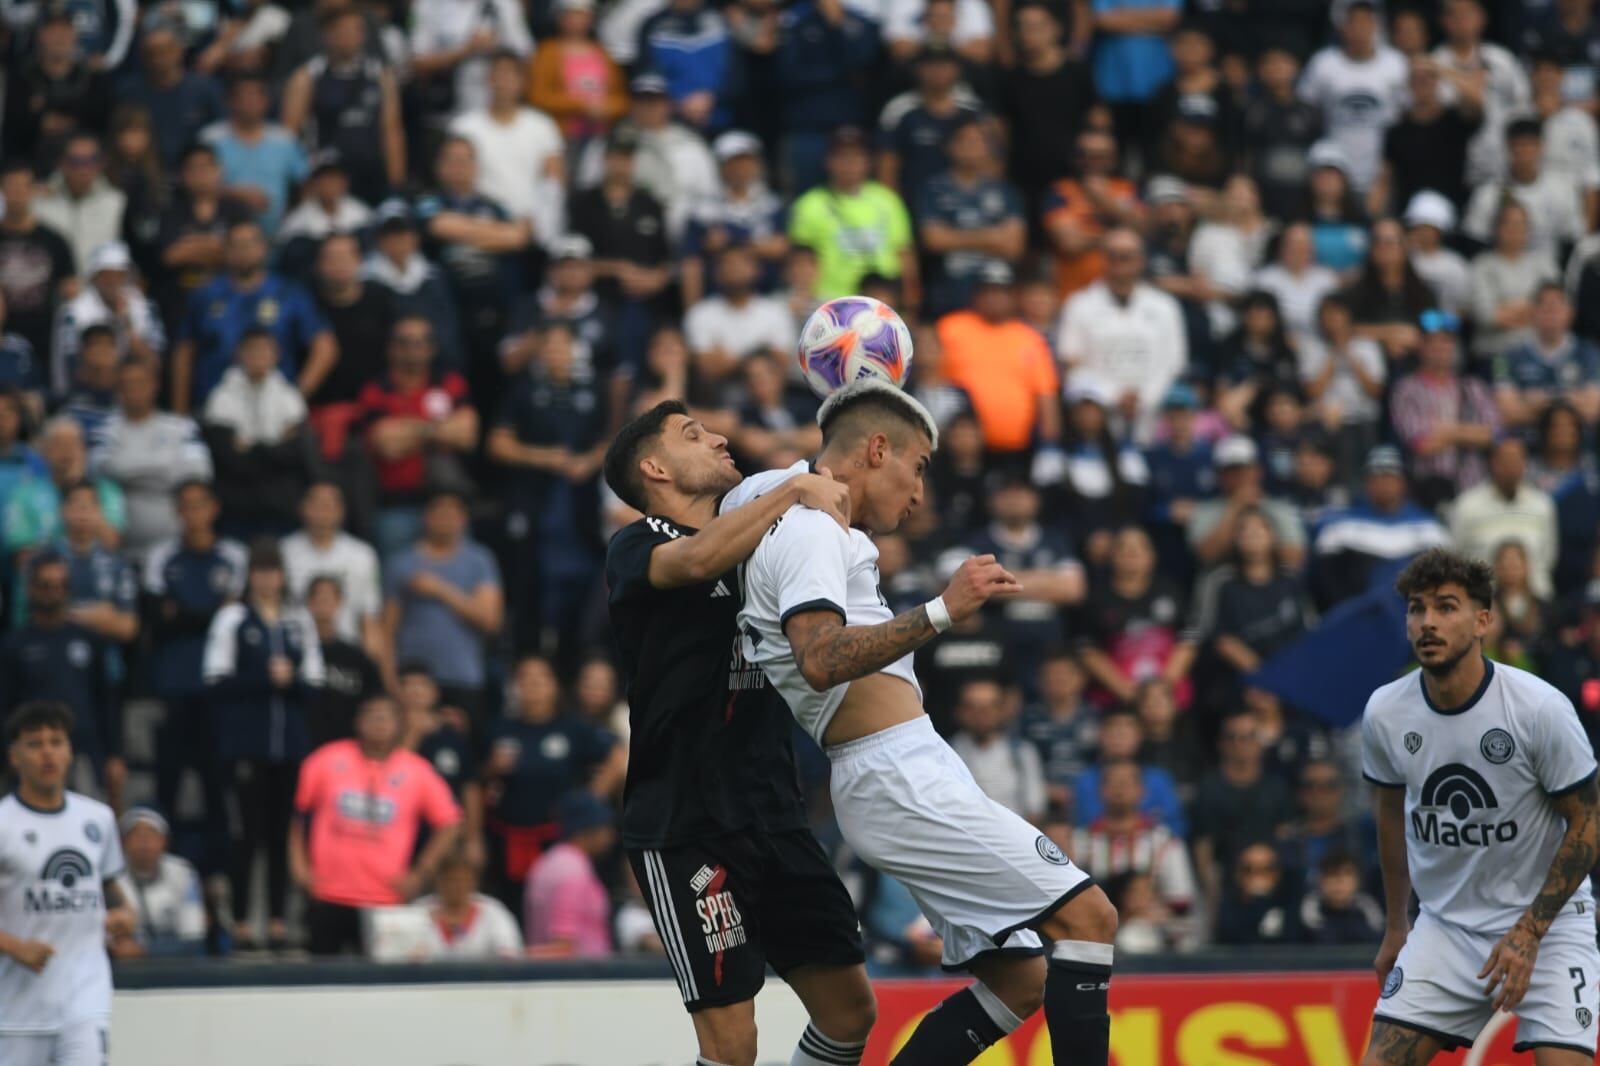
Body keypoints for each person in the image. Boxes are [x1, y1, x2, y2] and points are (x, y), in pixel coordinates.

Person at [728, 380, 1120, 1066]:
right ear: (877, 449)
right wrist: (943, 610)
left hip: (905, 769)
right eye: (917, 469)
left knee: (1023, 978)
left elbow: (760, 489)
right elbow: (819, 659)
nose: (917, 496)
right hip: (894, 772)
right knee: (1091, 920)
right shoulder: (812, 529)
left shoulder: (802, 513)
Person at [601, 400, 880, 1065]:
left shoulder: (763, 540)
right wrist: (792, 488)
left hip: (774, 814)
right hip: (687, 824)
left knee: (851, 1012)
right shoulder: (637, 544)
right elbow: (695, 562)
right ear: (656, 467)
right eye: (694, 435)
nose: (721, 437)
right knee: (732, 1048)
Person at [1358, 548, 1600, 1066]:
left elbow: (1588, 821)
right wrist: (1397, 926)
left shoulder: (1538, 709)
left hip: (1551, 925)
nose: (1427, 622)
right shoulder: (1385, 712)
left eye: (1446, 607)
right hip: (1447, 927)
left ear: (1482, 620)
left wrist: (1530, 932)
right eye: (1417, 609)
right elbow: (1388, 814)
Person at [203, 539, 324, 951]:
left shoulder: (297, 620)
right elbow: (216, 680)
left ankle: (275, 920)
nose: (268, 579)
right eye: (260, 571)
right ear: (250, 576)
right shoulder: (233, 619)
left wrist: (289, 682)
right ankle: (239, 920)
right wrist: (263, 680)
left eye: (274, 571)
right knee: (246, 835)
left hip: (288, 746)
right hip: (246, 744)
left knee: (279, 836)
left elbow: (314, 682)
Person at [0, 702, 135, 1066]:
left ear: (70, 751)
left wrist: (124, 916)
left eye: (56, 742)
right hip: (15, 1014)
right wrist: (15, 947)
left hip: (84, 1001)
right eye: (34, 743)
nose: (47, 752)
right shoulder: (3, 824)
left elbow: (114, 891)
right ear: (15, 757)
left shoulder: (98, 819)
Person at [291, 695, 462, 956]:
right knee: (321, 985)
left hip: (385, 900)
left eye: (387, 717)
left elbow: (450, 823)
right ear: (358, 722)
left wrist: (421, 872)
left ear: (400, 725)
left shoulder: (417, 771)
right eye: (372, 715)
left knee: (380, 988)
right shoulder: (325, 760)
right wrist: (299, 866)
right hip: (327, 893)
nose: (379, 722)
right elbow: (297, 816)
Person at [172, 219, 335, 413]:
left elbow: (325, 345)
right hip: (214, 409)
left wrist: (296, 396)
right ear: (225, 251)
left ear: (263, 248)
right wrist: (180, 413)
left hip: (275, 411)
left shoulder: (288, 292)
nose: (243, 251)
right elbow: (184, 352)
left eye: (250, 244)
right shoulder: (205, 295)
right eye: (236, 245)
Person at [0, 555, 123, 805]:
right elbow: (3, 704)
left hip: (84, 754)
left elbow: (106, 700)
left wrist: (114, 754)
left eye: (59, 585)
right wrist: (6, 756)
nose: (52, 592)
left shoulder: (89, 640)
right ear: (31, 589)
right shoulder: (13, 645)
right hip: (31, 755)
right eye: (45, 585)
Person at [355, 315, 478, 560]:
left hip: (448, 505)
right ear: (391, 348)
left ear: (432, 347)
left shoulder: (449, 382)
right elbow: (386, 444)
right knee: (398, 585)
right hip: (397, 507)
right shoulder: (376, 389)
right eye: (405, 342)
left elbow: (467, 436)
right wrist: (439, 431)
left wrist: (408, 431)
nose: (413, 349)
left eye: (421, 342)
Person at [381, 490, 502, 732]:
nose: (445, 519)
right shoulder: (401, 563)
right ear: (426, 518)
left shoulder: (479, 560)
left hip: (463, 676)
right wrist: (390, 680)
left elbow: (490, 620)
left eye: (452, 513)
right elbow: (386, 630)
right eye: (439, 512)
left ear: (463, 520)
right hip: (412, 679)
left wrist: (439, 589)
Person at [1055, 227, 1188, 436]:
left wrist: (1143, 398)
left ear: (1141, 260)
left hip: (1153, 419)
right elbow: (1072, 364)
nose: (1119, 264)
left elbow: (1174, 364)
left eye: (1126, 257)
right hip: (1098, 423)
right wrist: (1113, 396)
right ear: (1102, 260)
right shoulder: (1079, 305)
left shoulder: (1165, 307)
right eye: (1112, 256)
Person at [278, 4, 405, 206]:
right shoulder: (307, 77)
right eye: (343, 31)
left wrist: (396, 184)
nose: (350, 37)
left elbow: (391, 130)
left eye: (356, 30)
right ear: (327, 35)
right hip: (326, 178)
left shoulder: (380, 76)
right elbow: (289, 136)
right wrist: (303, 181)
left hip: (370, 175)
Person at [91, 357, 212, 565]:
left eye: (140, 382)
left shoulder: (182, 427)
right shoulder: (104, 430)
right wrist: (164, 468)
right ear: (118, 390)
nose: (134, 389)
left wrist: (131, 476)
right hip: (121, 553)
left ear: (155, 385)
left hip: (177, 552)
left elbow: (199, 474)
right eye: (128, 384)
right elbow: (103, 469)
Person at [935, 263, 1060, 464]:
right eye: (988, 291)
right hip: (959, 449)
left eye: (1001, 291)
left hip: (1018, 452)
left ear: (1013, 297)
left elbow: (1046, 396)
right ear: (976, 294)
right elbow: (931, 380)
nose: (994, 298)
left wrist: (1049, 447)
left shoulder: (1030, 338)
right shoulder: (951, 328)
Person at [1310, 446, 1450, 610]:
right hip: (1358, 618)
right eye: (1376, 478)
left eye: (1389, 477)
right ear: (1366, 483)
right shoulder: (1339, 528)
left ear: (1403, 482)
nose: (1383, 484)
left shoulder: (1430, 528)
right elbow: (1324, 583)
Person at [1191, 707, 1294, 926]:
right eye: (1233, 737)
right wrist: (1213, 897)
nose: (1241, 744)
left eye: (1249, 737)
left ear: (1259, 743)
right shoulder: (1209, 789)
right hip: (1225, 886)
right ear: (1221, 743)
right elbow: (1204, 850)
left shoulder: (1277, 788)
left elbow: (1285, 840)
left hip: (1271, 880)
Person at [788, 128, 917, 302]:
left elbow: (904, 255)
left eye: (857, 157)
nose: (849, 164)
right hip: (831, 303)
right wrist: (804, 295)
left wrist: (910, 301)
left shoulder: (888, 201)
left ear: (868, 162)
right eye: (842, 157)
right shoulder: (809, 205)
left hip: (881, 303)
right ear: (828, 161)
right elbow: (801, 259)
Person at [447, 51, 564, 238]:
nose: (504, 81)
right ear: (488, 79)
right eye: (498, 74)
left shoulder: (543, 126)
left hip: (530, 228)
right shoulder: (464, 127)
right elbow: (453, 179)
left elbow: (553, 182)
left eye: (511, 74)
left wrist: (541, 224)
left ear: (523, 82)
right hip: (479, 226)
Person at [1295, 0, 1407, 194]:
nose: (1360, 29)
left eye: (1366, 22)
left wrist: (1384, 179)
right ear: (1343, 27)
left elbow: (1401, 123)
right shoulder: (1323, 64)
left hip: (1379, 176)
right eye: (1354, 22)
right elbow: (1307, 113)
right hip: (1333, 175)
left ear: (1375, 26)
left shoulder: (1395, 64)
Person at [1389, 311, 1499, 508]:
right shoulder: (1407, 389)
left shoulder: (1472, 387)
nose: (1440, 348)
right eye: (1433, 342)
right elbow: (1422, 444)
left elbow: (1492, 435)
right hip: (1429, 490)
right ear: (1421, 347)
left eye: (1447, 342)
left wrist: (1444, 430)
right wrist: (1468, 432)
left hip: (1473, 489)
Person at [281, 481, 385, 669]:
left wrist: (372, 664)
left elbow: (369, 616)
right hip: (294, 652)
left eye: (330, 504)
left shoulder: (363, 555)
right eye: (317, 504)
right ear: (303, 508)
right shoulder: (284, 552)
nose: (323, 511)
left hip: (346, 654)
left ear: (342, 510)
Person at [1449, 437, 1560, 602]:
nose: (1511, 467)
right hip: (1483, 603)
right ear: (1493, 463)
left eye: (1517, 460)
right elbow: (1454, 559)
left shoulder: (1542, 505)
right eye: (1505, 460)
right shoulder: (1466, 507)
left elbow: (1549, 558)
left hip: (1537, 604)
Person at [1041, 130, 1144, 303]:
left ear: (1113, 159)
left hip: (1126, 298)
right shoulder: (1061, 191)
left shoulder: (1128, 189)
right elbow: (1070, 243)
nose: (1094, 162)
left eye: (1101, 156)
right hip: (1072, 295)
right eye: (1087, 155)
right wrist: (1117, 234)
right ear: (1076, 158)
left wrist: (1106, 203)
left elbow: (1142, 232)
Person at [51, 241, 164, 392]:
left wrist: (127, 327)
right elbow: (71, 369)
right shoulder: (73, 312)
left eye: (119, 275)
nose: (113, 281)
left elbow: (156, 364)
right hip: (83, 396)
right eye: (106, 275)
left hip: (132, 396)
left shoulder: (145, 308)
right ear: (94, 277)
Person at [523, 790, 619, 958]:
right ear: (585, 830)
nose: (610, 835)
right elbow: (562, 945)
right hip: (579, 979)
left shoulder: (550, 861)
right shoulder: (573, 871)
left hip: (571, 977)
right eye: (604, 827)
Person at [0, 159, 77, 363]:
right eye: (11, 187)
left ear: (34, 190)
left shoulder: (54, 240)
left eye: (22, 187)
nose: (16, 194)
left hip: (43, 339)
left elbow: (70, 287)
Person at [1494, 284, 1600, 429]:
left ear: (1570, 313)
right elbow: (1507, 413)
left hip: (1580, 446)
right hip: (1526, 445)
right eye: (1544, 308)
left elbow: (1592, 411)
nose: (1551, 315)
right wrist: (1572, 399)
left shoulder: (1591, 353)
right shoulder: (1504, 357)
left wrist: (1537, 402)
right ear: (1532, 312)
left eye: (1556, 309)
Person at [948, 678, 1047, 823]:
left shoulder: (1023, 753)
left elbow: (1035, 810)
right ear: (960, 711)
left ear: (1001, 711)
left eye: (989, 707)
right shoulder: (944, 754)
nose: (981, 714)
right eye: (973, 707)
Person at [111, 807, 206, 958]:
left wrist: (143, 951)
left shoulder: (183, 873)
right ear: (123, 843)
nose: (144, 842)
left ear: (164, 842)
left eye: (151, 834)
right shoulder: (111, 878)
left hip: (177, 965)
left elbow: (193, 937)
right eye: (136, 835)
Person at [32, 134, 127, 282]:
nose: (83, 169)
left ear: (100, 163)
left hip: (99, 296)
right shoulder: (39, 202)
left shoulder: (116, 202)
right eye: (76, 162)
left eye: (91, 161)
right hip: (52, 293)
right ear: (61, 163)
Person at [417, 851, 522, 960]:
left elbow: (510, 955)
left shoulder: (494, 913)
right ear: (438, 881)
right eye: (450, 880)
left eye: (462, 880)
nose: (457, 886)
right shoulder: (419, 912)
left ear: (473, 882)